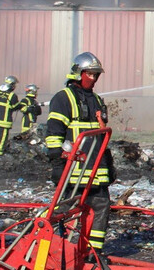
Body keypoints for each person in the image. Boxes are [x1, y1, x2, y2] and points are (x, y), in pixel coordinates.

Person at [45, 52, 116, 252]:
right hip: (73, 172)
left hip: (96, 171)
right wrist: (58, 163)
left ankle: (93, 254)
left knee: (102, 208)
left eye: (96, 75)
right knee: (63, 214)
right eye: (90, 74)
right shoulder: (62, 98)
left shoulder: (97, 100)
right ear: (78, 73)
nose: (93, 79)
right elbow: (54, 134)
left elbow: (101, 136)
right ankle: (56, 252)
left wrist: (109, 167)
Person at [0, 75, 22, 155]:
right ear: (12, 85)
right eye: (14, 85)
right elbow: (15, 106)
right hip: (5, 122)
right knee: (2, 139)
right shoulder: (12, 95)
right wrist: (21, 105)